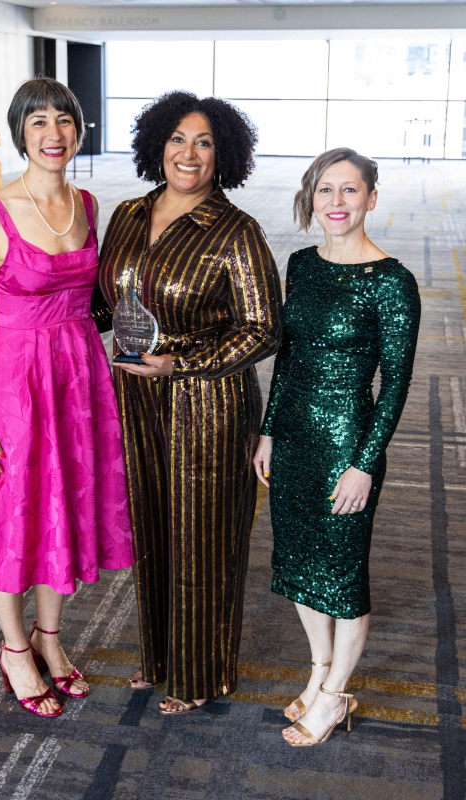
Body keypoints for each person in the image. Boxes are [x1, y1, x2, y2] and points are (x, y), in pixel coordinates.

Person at [0, 78, 134, 718]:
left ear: (78, 131)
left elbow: (104, 299)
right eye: (38, 123)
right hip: (14, 381)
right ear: (20, 133)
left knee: (67, 505)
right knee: (13, 512)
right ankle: (14, 648)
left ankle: (51, 640)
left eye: (63, 120)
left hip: (78, 374)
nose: (53, 133)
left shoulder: (87, 202)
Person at [99, 91, 283, 715]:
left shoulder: (236, 230)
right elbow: (101, 302)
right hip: (136, 400)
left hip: (207, 407)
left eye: (204, 142)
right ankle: (158, 660)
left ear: (222, 154)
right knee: (151, 529)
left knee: (203, 541)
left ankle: (199, 674)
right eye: (178, 138)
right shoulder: (126, 214)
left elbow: (262, 329)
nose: (189, 152)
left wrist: (182, 363)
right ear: (157, 144)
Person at [253, 147, 421, 746]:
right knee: (300, 565)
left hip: (348, 443)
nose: (337, 202)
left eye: (350, 190)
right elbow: (290, 355)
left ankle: (334, 696)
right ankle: (321, 670)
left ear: (371, 198)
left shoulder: (393, 283)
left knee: (344, 576)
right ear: (311, 197)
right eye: (326, 190)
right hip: (294, 438)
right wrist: (269, 429)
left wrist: (364, 465)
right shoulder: (300, 264)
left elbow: (395, 384)